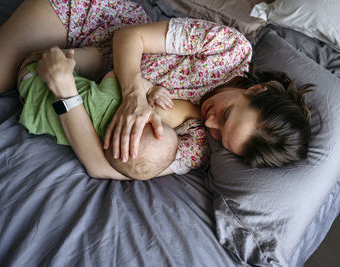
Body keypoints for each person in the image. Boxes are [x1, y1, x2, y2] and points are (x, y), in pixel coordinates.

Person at [0, 0, 312, 179]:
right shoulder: (229, 49)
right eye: (226, 115)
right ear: (254, 90)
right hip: (100, 25)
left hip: (84, 73)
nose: (210, 123)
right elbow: (128, 36)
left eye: (222, 138)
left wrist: (65, 95)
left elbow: (100, 166)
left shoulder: (198, 147)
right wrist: (135, 94)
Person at [17, 48, 206, 180]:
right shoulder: (96, 142)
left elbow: (112, 75)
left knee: (96, 56)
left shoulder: (115, 97)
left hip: (35, 73)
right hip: (31, 110)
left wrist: (149, 91)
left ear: (148, 121)